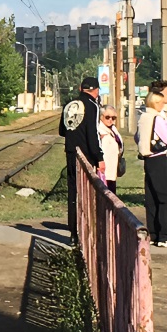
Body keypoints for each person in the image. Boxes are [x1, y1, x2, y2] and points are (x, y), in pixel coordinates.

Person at [138, 79, 167, 247]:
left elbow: (138, 138)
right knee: (166, 197)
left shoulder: (143, 116)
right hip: (158, 157)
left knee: (152, 198)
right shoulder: (158, 118)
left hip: (148, 158)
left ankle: (155, 233)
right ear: (157, 101)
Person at [59, 76, 103, 241]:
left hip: (70, 153)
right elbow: (93, 134)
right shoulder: (92, 106)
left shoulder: (70, 104)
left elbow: (62, 131)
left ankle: (73, 232)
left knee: (73, 193)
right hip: (86, 156)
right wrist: (99, 157)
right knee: (86, 194)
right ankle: (85, 232)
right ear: (96, 91)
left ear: (80, 88)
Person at [97, 105, 125, 194]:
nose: (110, 120)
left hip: (112, 167)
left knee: (112, 192)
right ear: (101, 117)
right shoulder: (100, 130)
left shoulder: (113, 129)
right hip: (104, 170)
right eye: (107, 117)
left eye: (113, 118)